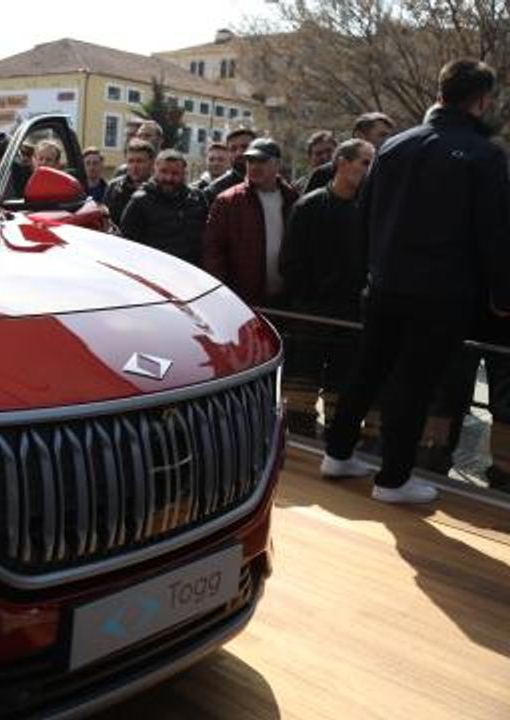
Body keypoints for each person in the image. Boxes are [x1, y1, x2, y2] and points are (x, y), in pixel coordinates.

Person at [320, 59, 510, 504]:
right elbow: (494, 233)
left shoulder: (394, 145)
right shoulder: (484, 155)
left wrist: (370, 271)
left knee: (369, 369)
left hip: (384, 284)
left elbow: (364, 215)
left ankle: (337, 454)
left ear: (441, 92)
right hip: (442, 292)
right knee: (415, 382)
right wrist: (502, 295)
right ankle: (393, 479)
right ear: (482, 101)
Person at [278, 139, 375, 436]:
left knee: (342, 382)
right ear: (342, 163)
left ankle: (338, 438)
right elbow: (289, 261)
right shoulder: (309, 205)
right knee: (304, 380)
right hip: (312, 313)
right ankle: (299, 441)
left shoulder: (368, 208)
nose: (370, 169)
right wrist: (311, 296)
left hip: (351, 315)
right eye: (365, 162)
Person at [202, 137, 299, 306]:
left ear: (277, 164)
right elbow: (213, 252)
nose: (254, 166)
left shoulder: (292, 199)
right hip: (242, 300)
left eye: (262, 161)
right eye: (250, 161)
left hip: (285, 300)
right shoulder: (227, 202)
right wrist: (222, 295)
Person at [119, 149, 209, 264]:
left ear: (184, 174)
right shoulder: (140, 201)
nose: (168, 178)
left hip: (191, 270)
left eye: (175, 173)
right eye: (163, 172)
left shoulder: (197, 198)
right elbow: (126, 244)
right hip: (154, 269)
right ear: (154, 171)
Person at [301, 112, 395, 194]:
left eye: (390, 136)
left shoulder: (388, 171)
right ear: (360, 136)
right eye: (382, 135)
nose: (389, 140)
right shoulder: (325, 174)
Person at [102, 139, 155, 222]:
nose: (135, 166)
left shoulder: (158, 189)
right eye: (131, 161)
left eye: (140, 161)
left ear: (151, 163)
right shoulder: (114, 187)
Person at [203, 127, 258, 204]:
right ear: (228, 153)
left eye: (245, 147)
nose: (239, 153)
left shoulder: (270, 183)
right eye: (233, 149)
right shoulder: (214, 191)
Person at [291, 130, 337, 195]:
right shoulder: (299, 188)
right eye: (319, 153)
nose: (324, 157)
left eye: (329, 151)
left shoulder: (348, 181)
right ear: (310, 158)